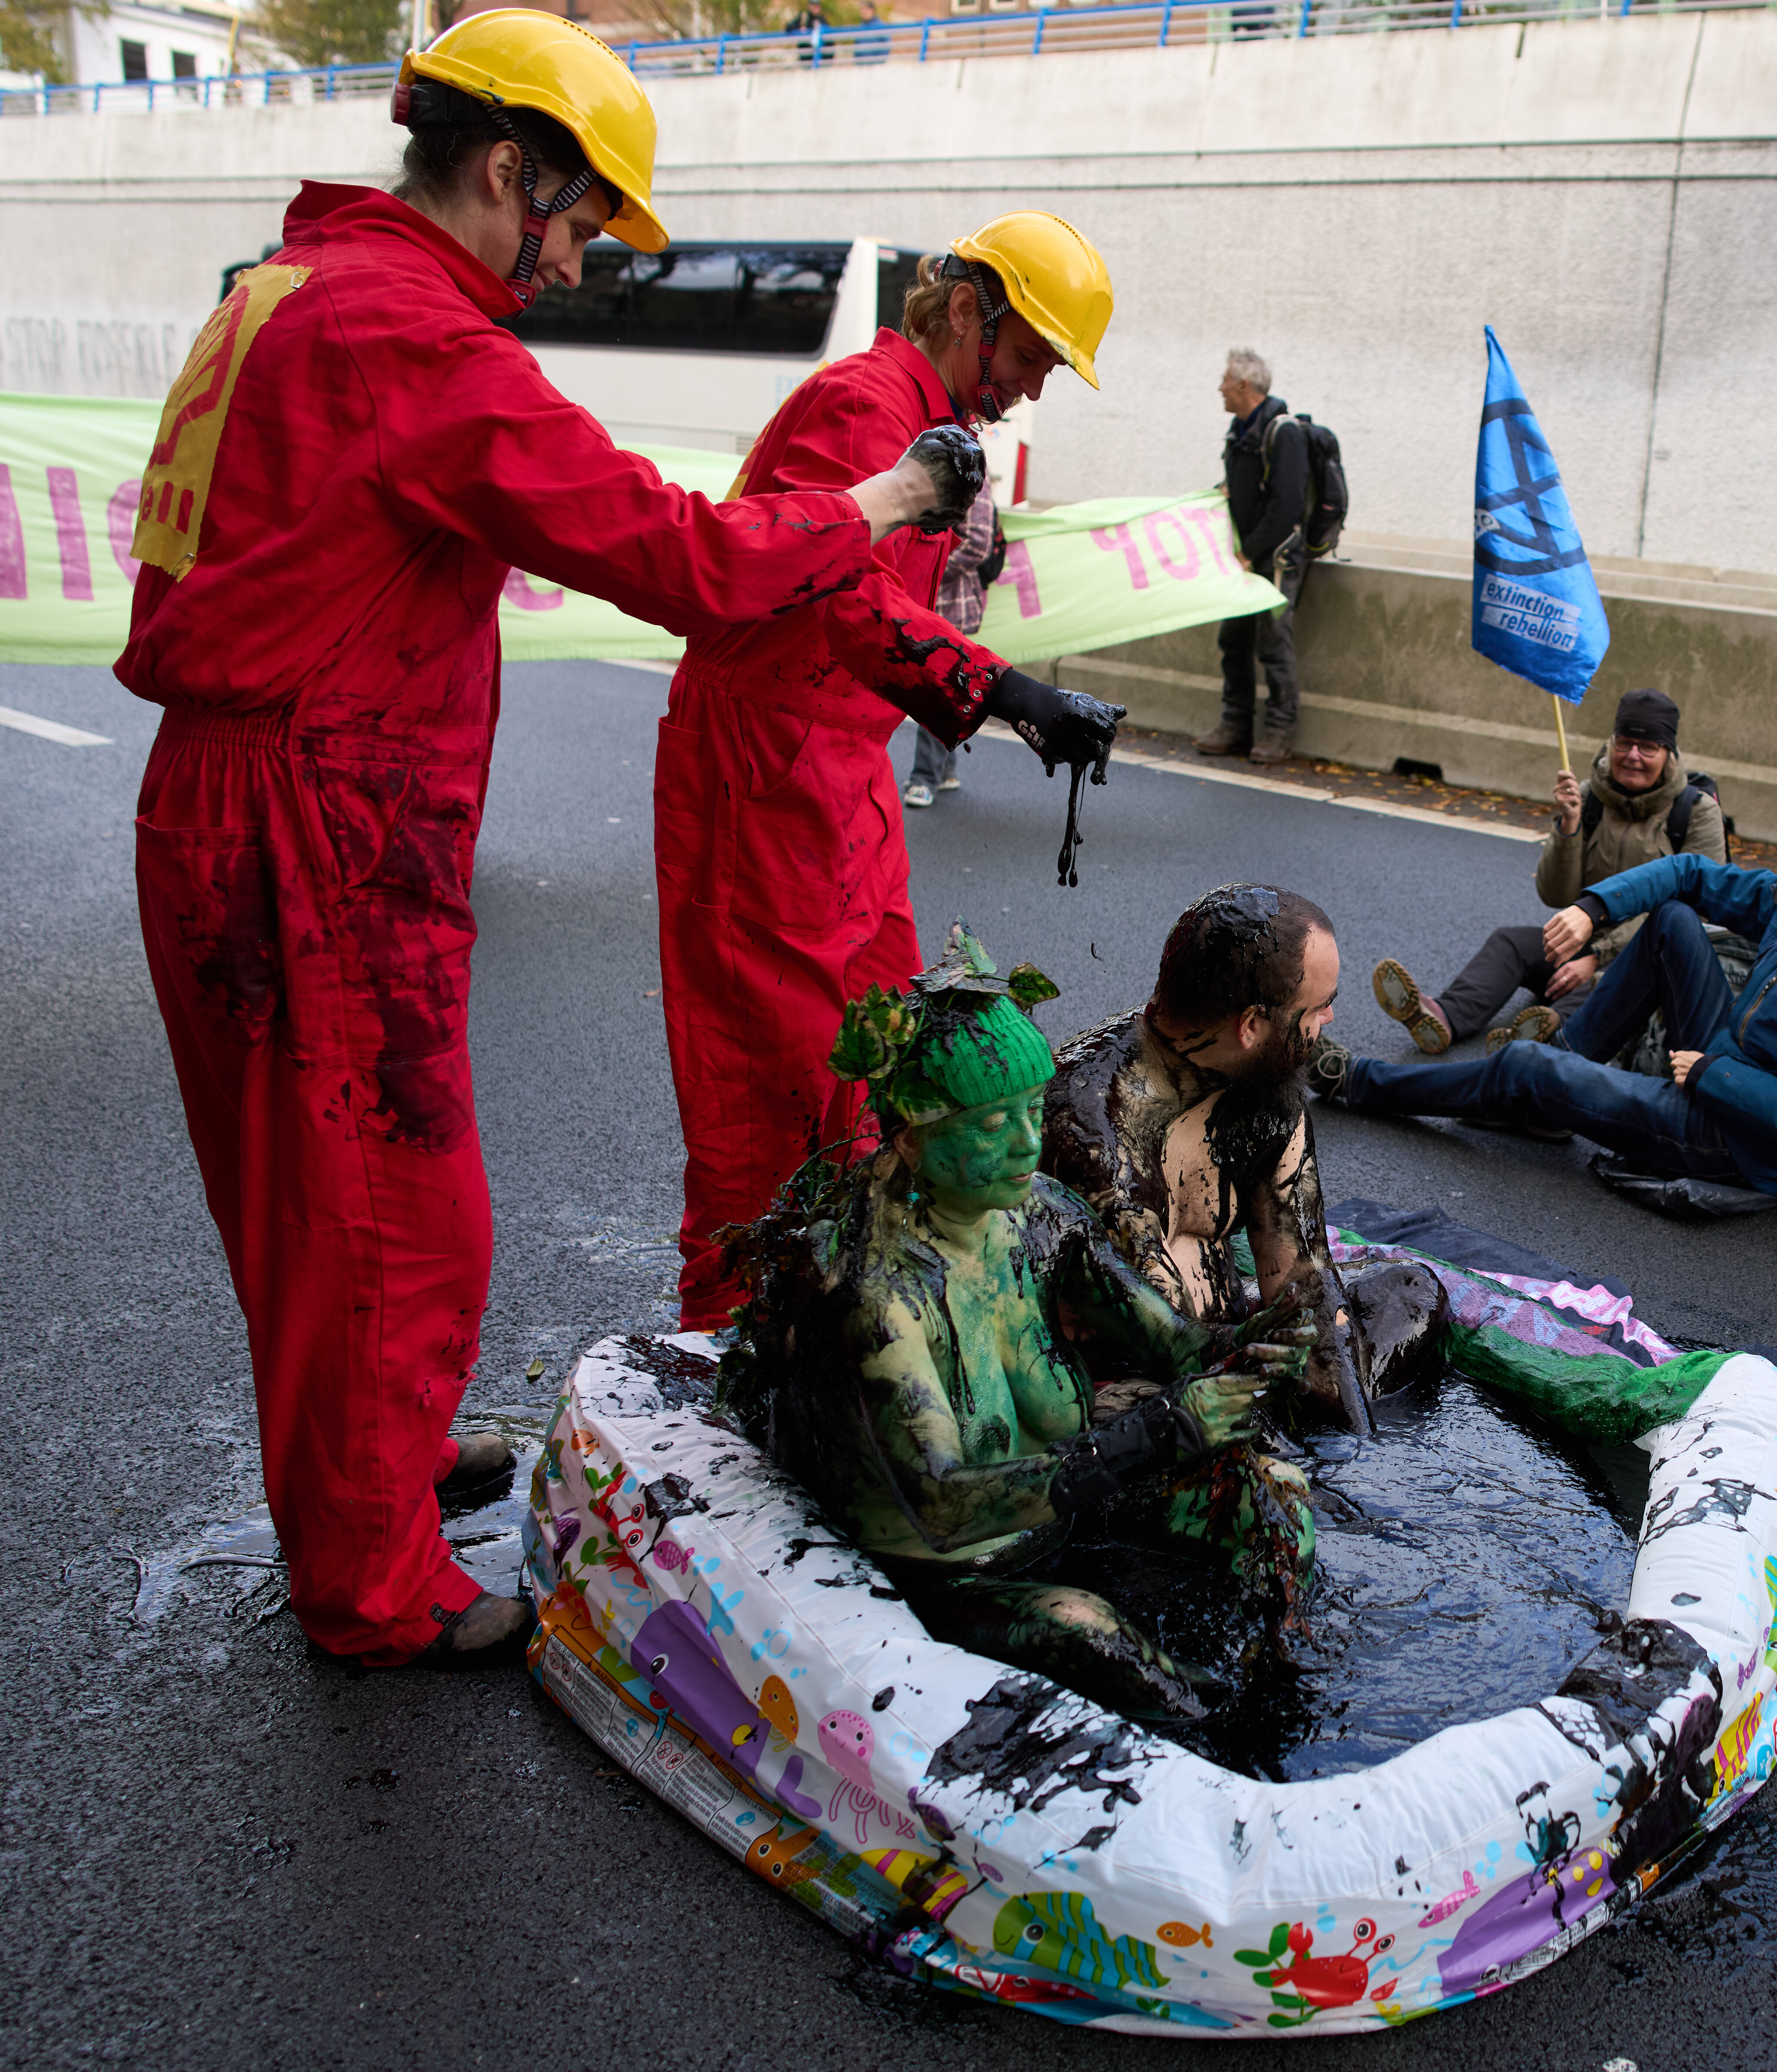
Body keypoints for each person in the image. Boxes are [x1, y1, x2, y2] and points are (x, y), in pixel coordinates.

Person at [120, 10, 968, 1671]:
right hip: (318, 821)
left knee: (311, 1196)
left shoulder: (286, 290)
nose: (578, 264)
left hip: (231, 799)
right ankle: (371, 1582)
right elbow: (680, 557)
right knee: (391, 1212)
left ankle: (373, 1459)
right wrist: (880, 510)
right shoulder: (410, 336)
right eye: (579, 222)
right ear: (508, 169)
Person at [656, 212, 1125, 1336]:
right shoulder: (866, 406)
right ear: (967, 310)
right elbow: (839, 594)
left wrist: (992, 693)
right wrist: (1008, 693)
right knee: (767, 1083)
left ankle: (854, 1305)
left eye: (1047, 370)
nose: (1030, 391)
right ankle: (729, 1337)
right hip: (761, 765)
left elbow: (892, 616)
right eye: (1026, 360)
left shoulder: (935, 423)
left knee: (887, 1065)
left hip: (842, 773)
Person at [720, 936, 1319, 1724]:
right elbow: (942, 1505)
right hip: (949, 1569)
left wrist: (1264, 1341)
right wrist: (1167, 1427)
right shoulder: (879, 1295)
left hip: (1065, 1504)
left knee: (1275, 1502)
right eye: (992, 1123)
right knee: (1097, 1636)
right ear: (910, 1138)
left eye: (1032, 1111)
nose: (1027, 1143)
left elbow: (1177, 1346)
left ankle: (1276, 1689)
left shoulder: (1039, 1212)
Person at [1314, 801, 1777, 1205]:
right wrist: (1593, 910)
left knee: (1524, 1067)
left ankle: (1361, 1082)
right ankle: (1553, 1084)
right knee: (1669, 921)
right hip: (1728, 1064)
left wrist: (1716, 1076)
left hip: (1743, 1143)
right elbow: (1690, 874)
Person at [1042, 887, 1444, 1434]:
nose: (1331, 1016)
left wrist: (1357, 1441)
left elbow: (1304, 1277)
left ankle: (1294, 1427)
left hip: (1231, 1332)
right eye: (1318, 1007)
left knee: (1411, 1291)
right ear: (1251, 1026)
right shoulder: (1089, 1130)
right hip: (1130, 1374)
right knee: (1177, 1422)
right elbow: (1162, 1340)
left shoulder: (1269, 1083)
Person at [1368, 688, 1727, 1057]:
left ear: (1669, 754)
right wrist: (1569, 827)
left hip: (1646, 956)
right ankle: (1443, 1016)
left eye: (1648, 747)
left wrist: (1599, 957)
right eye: (1625, 743)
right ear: (1612, 743)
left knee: (1605, 985)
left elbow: (1691, 910)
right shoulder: (1589, 797)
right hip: (1585, 938)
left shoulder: (1697, 812)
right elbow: (1555, 894)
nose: (1633, 756)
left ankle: (1540, 1043)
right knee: (1511, 943)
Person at [1198, 348, 1310, 764]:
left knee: (1273, 644)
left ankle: (1279, 732)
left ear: (1244, 386)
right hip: (1245, 557)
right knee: (1234, 640)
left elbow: (1286, 508)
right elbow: (1237, 489)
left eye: (1226, 380)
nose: (1220, 387)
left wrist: (1250, 551)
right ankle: (1236, 726)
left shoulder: (1284, 433)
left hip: (1274, 558)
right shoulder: (1240, 431)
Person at [903, 475, 1006, 809]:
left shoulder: (973, 467)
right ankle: (944, 771)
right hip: (936, 601)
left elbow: (977, 542)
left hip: (949, 602)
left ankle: (924, 778)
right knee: (945, 685)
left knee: (936, 687)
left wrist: (927, 569)